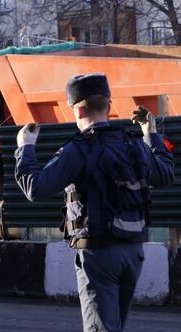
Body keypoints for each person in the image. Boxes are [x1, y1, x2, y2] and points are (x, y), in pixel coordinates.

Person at [14, 73, 174, 332]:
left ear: (77, 110)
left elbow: (36, 188)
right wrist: (151, 134)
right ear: (109, 106)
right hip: (133, 252)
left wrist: (25, 148)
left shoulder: (78, 149)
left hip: (98, 254)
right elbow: (165, 175)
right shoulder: (135, 143)